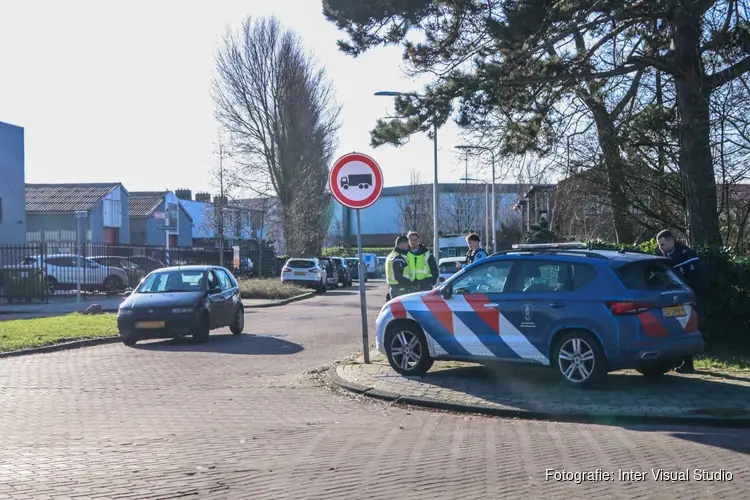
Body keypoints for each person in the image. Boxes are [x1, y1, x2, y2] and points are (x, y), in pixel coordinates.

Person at [655, 229, 702, 374]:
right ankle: (675, 360)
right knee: (673, 328)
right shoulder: (661, 255)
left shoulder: (687, 255)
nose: (660, 248)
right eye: (659, 245)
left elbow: (696, 278)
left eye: (662, 245)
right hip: (668, 298)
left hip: (685, 298)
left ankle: (688, 363)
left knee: (686, 327)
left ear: (671, 241)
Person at [385, 235, 412, 302]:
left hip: (393, 288)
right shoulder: (399, 257)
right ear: (402, 245)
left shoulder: (391, 255)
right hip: (401, 289)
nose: (408, 247)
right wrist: (411, 283)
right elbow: (398, 276)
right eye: (407, 245)